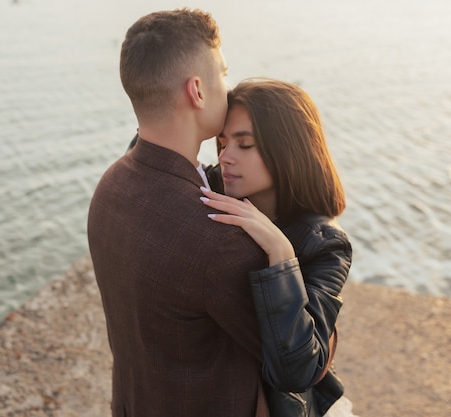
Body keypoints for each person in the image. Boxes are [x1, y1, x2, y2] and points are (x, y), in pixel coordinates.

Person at [87, 9, 270, 417]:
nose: (229, 85)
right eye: (222, 73)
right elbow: (295, 361)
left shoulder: (110, 184)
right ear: (197, 91)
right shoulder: (217, 238)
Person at [199, 78, 357, 417]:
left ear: (287, 150)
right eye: (223, 144)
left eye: (245, 145)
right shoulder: (211, 187)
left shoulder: (325, 244)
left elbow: (296, 372)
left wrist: (281, 256)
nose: (225, 157)